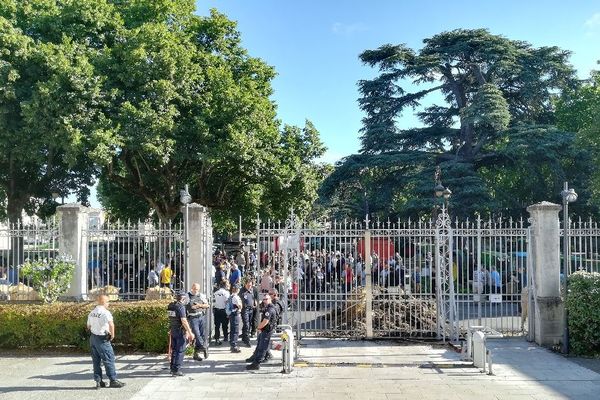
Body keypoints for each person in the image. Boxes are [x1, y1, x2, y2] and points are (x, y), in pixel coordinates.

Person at [86, 294, 125, 389]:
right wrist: (112, 335)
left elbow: (88, 326)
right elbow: (111, 325)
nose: (109, 304)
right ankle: (113, 380)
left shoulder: (92, 312)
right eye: (108, 302)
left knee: (96, 361)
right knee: (109, 359)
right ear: (103, 302)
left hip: (93, 338)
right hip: (102, 339)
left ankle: (98, 381)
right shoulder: (105, 312)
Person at [245, 293, 277, 370]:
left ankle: (256, 364)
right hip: (265, 330)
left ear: (270, 299)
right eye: (264, 299)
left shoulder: (270, 309)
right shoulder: (268, 308)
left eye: (266, 299)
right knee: (260, 346)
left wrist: (258, 327)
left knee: (262, 348)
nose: (265, 301)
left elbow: (265, 321)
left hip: (267, 331)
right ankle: (256, 359)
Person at [167, 291, 195, 376]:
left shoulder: (171, 305)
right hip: (180, 331)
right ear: (183, 298)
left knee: (174, 350)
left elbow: (171, 318)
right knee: (180, 350)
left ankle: (172, 368)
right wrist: (190, 332)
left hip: (173, 329)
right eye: (186, 298)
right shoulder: (181, 307)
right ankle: (177, 370)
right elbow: (183, 320)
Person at [187, 283, 209, 361]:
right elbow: (185, 305)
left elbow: (207, 305)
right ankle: (204, 347)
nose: (195, 290)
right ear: (192, 288)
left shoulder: (201, 295)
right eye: (194, 288)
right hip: (193, 317)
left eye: (197, 289)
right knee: (196, 334)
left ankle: (196, 354)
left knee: (202, 335)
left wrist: (199, 305)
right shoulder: (187, 296)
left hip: (201, 316)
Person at [239, 279, 256, 347]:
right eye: (248, 285)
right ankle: (247, 340)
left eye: (251, 285)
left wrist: (254, 303)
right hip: (245, 309)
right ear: (245, 284)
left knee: (248, 323)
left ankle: (244, 336)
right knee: (246, 324)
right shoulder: (242, 291)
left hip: (251, 309)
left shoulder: (251, 290)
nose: (250, 286)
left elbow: (253, 298)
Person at [227, 285, 242, 353]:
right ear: (237, 289)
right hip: (235, 314)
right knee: (235, 330)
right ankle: (234, 346)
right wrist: (240, 306)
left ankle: (232, 344)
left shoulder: (231, 296)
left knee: (232, 330)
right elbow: (240, 306)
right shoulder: (236, 297)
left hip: (231, 314)